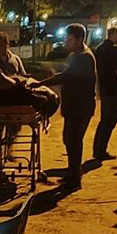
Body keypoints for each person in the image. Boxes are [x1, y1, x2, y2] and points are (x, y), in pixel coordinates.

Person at [32, 23, 97, 190]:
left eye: (69, 40)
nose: (66, 43)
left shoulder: (83, 57)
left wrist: (40, 83)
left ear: (80, 39)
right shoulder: (78, 55)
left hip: (80, 107)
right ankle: (73, 173)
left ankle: (75, 177)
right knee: (70, 140)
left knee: (73, 140)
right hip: (76, 106)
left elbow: (66, 77)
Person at [93, 28, 117, 161]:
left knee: (104, 120)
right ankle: (101, 150)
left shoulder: (99, 49)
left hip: (104, 88)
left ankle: (97, 149)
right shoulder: (113, 49)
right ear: (112, 35)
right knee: (110, 121)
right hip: (114, 89)